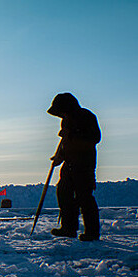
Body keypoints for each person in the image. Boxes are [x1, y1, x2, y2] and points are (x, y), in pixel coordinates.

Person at [47, 92, 101, 241]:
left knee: (84, 197)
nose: (60, 115)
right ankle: (68, 228)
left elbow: (94, 138)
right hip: (69, 163)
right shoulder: (66, 120)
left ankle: (92, 232)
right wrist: (60, 156)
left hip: (84, 164)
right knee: (64, 193)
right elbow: (66, 143)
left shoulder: (87, 117)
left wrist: (71, 134)